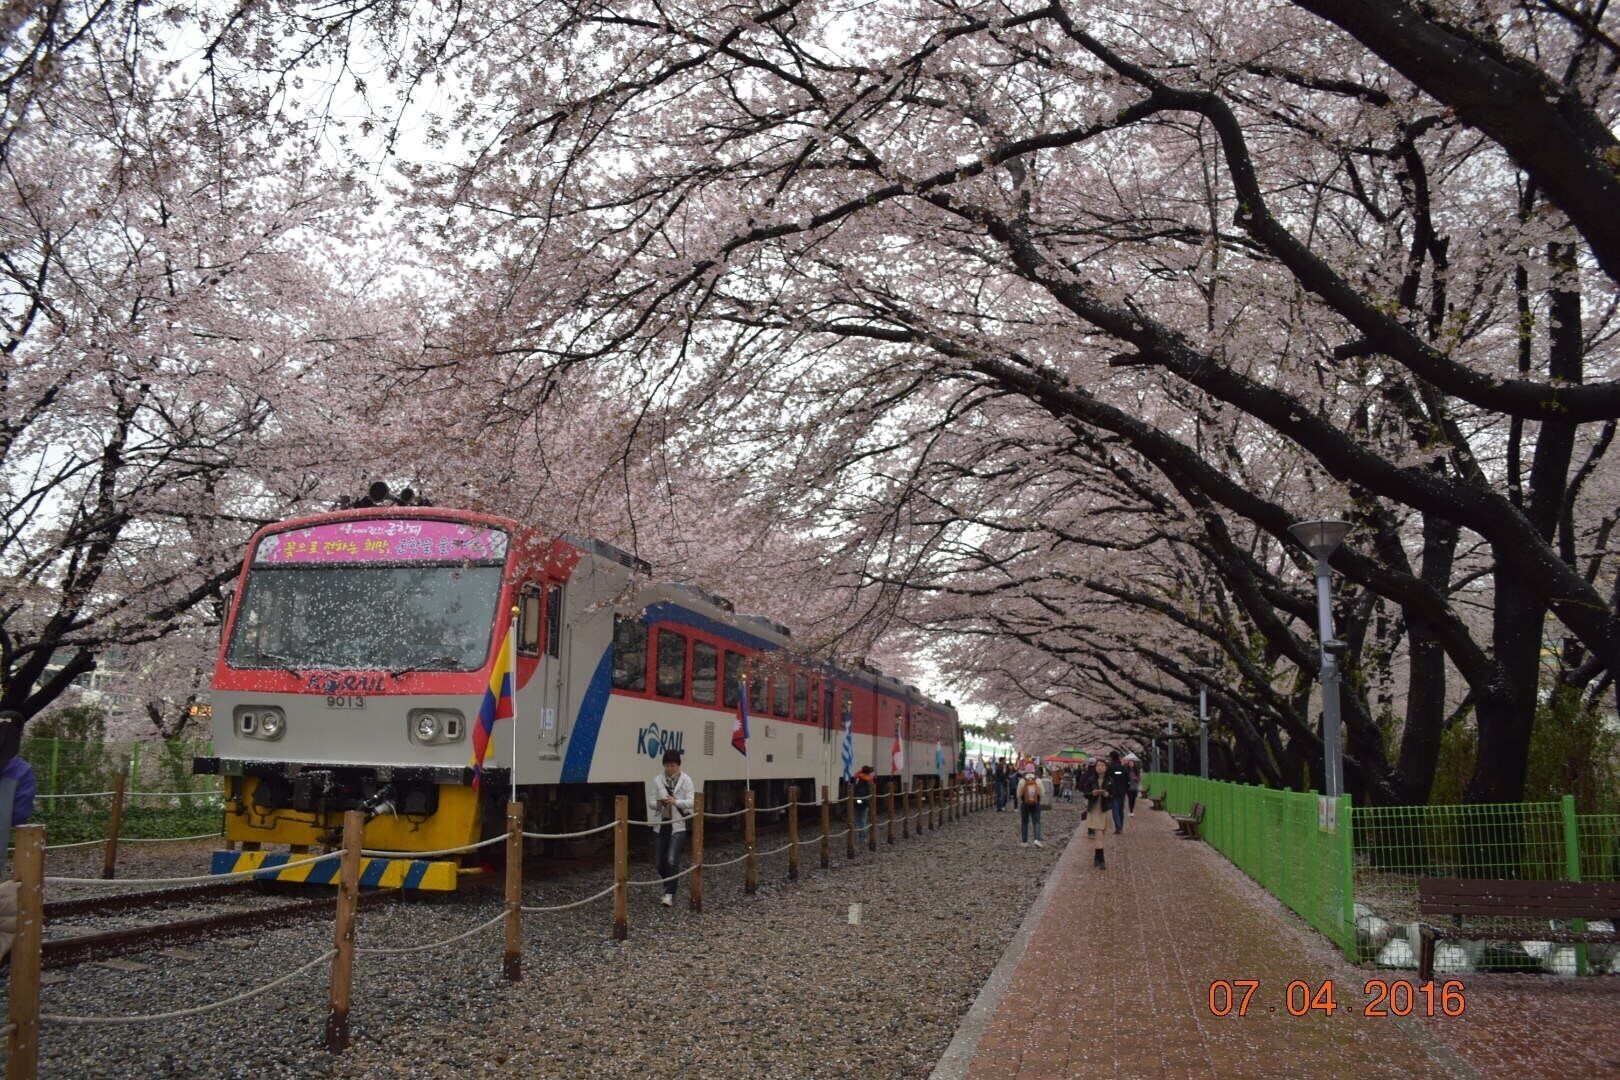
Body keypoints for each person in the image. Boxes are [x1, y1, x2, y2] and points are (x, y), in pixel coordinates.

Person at [645, 748, 695, 907]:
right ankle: (669, 884)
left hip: (678, 826)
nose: (670, 768)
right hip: (661, 825)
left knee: (672, 859)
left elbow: (692, 802)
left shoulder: (686, 780)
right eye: (667, 765)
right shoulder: (658, 780)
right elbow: (650, 802)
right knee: (659, 863)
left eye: (673, 765)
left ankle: (669, 894)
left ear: (678, 765)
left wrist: (676, 802)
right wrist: (660, 803)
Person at [1084, 758, 1111, 868]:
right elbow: (1085, 793)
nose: (1100, 768)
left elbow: (1114, 795)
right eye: (1098, 766)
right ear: (1095, 768)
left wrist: (1107, 795)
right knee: (1099, 835)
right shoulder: (1091, 780)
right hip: (1094, 810)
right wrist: (1092, 794)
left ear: (1106, 768)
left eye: (1102, 765)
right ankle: (1102, 860)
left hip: (1105, 810)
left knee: (1101, 835)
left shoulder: (1110, 780)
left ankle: (1096, 858)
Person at [1105, 750, 1131, 835]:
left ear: (1111, 757)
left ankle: (1118, 827)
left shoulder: (1110, 768)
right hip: (1122, 792)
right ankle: (1121, 826)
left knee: (1115, 809)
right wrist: (1126, 789)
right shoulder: (1123, 768)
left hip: (1113, 792)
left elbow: (1107, 780)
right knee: (1121, 810)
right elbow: (1128, 780)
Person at [1016, 769, 1043, 847]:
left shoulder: (1022, 781)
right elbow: (1042, 793)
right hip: (1035, 803)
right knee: (1036, 822)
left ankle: (1024, 842)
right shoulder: (1038, 780)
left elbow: (1018, 794)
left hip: (1025, 804)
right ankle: (1037, 840)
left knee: (1024, 822)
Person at [853, 764, 875, 845]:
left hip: (857, 801)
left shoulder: (858, 778)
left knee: (858, 820)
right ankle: (863, 838)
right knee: (863, 820)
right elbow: (870, 791)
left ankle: (860, 837)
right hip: (865, 802)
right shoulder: (869, 779)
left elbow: (856, 775)